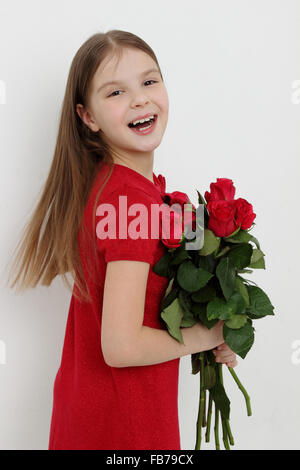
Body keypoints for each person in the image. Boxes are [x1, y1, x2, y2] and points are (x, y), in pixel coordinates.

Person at [7, 29, 237, 450]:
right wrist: (210, 335)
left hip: (95, 413)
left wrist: (216, 319)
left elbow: (178, 286)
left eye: (149, 81)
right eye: (116, 92)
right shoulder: (131, 199)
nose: (140, 99)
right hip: (124, 425)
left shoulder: (127, 189)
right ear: (88, 116)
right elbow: (121, 345)